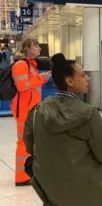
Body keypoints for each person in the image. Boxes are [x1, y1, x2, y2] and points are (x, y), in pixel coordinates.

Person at [23, 53, 102, 206]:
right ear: (69, 81)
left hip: (50, 191)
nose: (88, 78)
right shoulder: (89, 114)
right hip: (85, 193)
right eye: (83, 75)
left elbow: (29, 146)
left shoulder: (37, 111)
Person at [11, 38, 50, 186]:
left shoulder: (30, 65)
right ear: (27, 48)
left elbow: (31, 85)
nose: (39, 48)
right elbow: (22, 86)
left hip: (30, 109)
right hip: (23, 110)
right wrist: (40, 78)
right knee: (23, 142)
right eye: (36, 46)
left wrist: (41, 78)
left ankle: (27, 172)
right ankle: (21, 177)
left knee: (29, 142)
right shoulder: (21, 65)